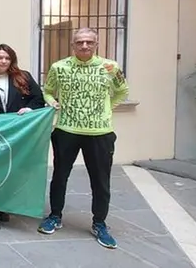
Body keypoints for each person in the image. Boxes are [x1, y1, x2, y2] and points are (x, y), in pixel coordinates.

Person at [37, 28, 129, 249]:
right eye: (80, 42)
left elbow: (122, 91)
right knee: (60, 176)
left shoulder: (110, 67)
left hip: (100, 133)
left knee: (100, 181)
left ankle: (100, 223)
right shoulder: (59, 67)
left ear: (96, 44)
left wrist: (107, 109)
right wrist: (51, 101)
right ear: (73, 45)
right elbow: (47, 90)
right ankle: (55, 216)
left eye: (89, 42)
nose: (84, 46)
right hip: (66, 130)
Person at [0, 44, 45, 230]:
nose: (3, 61)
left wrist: (29, 108)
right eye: (0, 58)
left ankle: (4, 206)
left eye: (7, 58)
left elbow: (38, 98)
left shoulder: (23, 77)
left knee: (11, 170)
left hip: (16, 132)